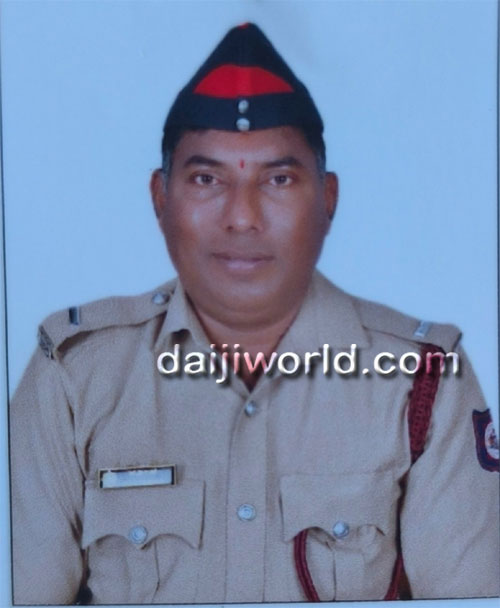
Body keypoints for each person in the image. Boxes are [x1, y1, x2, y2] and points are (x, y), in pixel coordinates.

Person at [10, 22, 499, 605]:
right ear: (160, 199)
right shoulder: (74, 377)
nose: (242, 217)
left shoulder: (423, 382)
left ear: (328, 199)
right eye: (206, 178)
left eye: (279, 179)